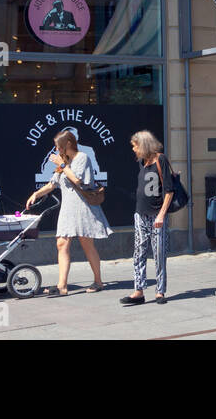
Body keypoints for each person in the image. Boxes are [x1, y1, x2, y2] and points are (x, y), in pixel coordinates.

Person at [25, 128, 109, 295]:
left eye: (59, 146)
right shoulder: (64, 161)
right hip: (67, 209)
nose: (57, 150)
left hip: (83, 208)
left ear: (68, 144)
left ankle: (98, 281)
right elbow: (52, 184)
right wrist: (35, 194)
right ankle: (62, 286)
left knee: (87, 244)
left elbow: (78, 180)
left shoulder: (82, 158)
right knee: (61, 243)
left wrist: (62, 165)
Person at [122, 130, 174, 305]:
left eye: (135, 146)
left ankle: (160, 291)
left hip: (157, 215)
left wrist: (161, 214)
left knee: (159, 253)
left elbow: (169, 191)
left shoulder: (161, 160)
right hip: (140, 213)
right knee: (139, 252)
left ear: (143, 145)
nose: (134, 150)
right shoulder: (142, 162)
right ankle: (139, 291)